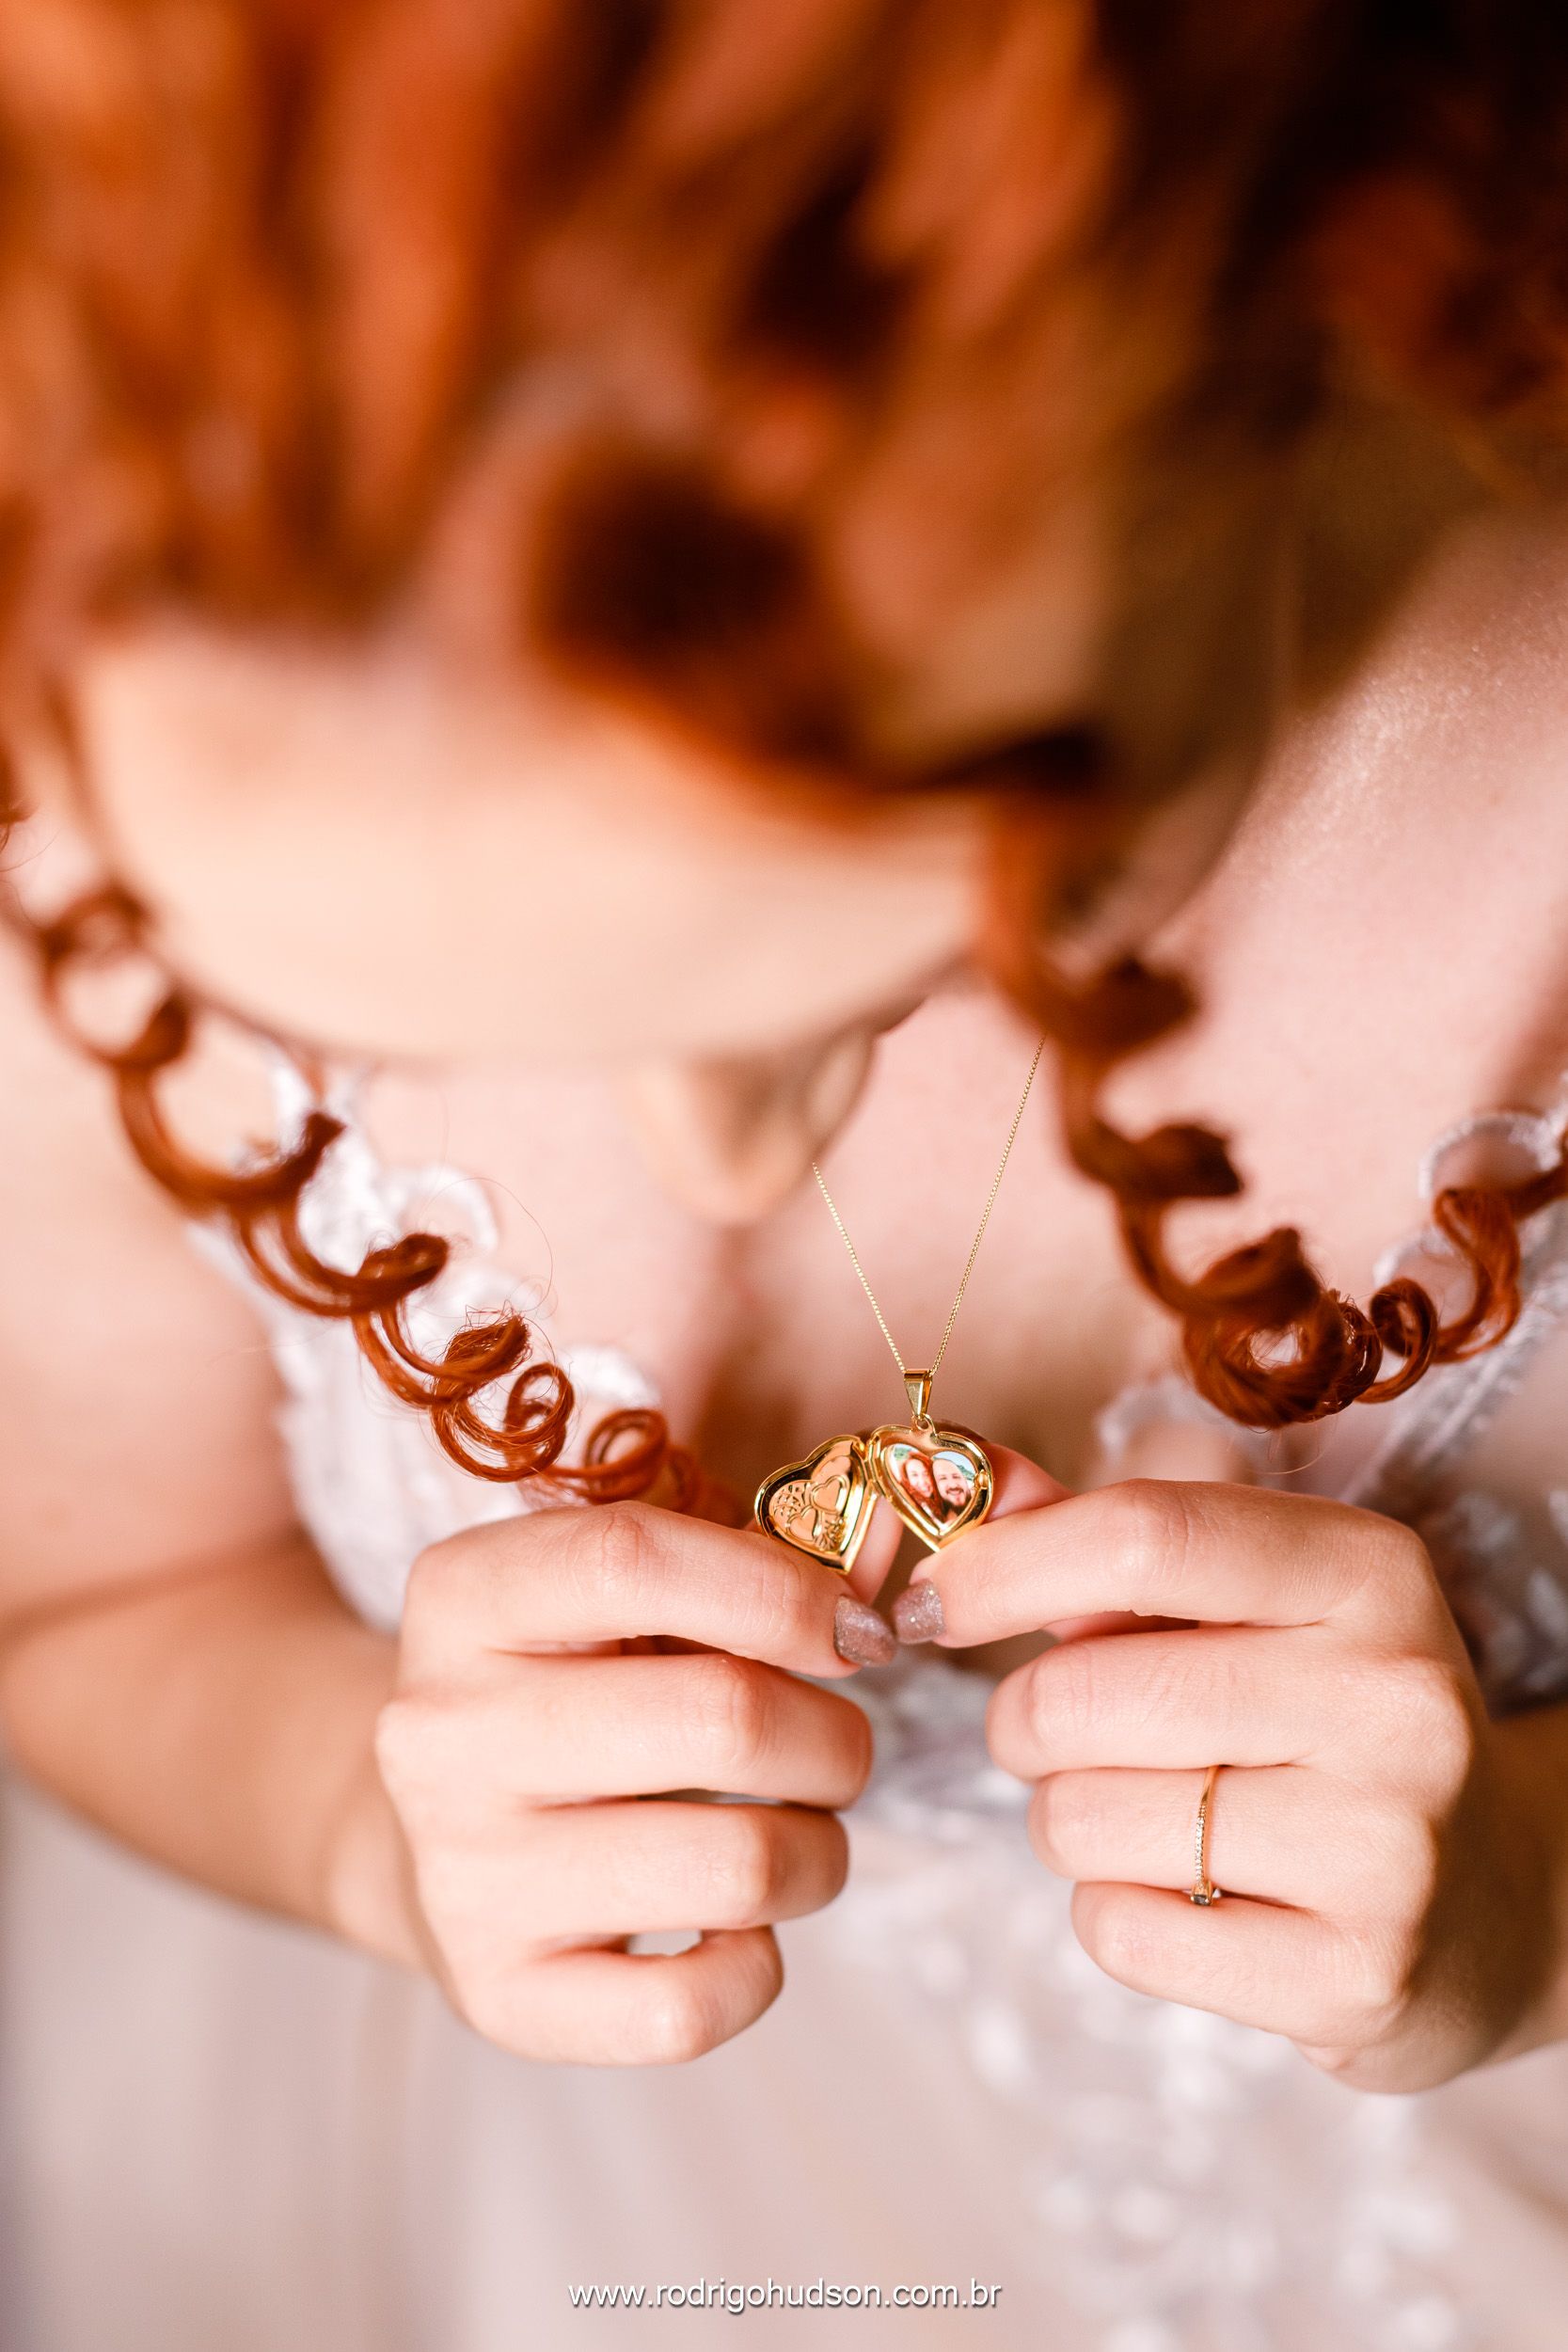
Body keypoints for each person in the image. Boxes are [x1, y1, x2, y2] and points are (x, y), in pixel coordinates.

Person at [5, 8, 1568, 2349]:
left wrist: (1527, 1903)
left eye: (925, 962)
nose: (720, 1153)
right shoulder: (132, 751)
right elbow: (87, 1593)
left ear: (1309, 325)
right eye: (425, 1029)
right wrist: (363, 1819)